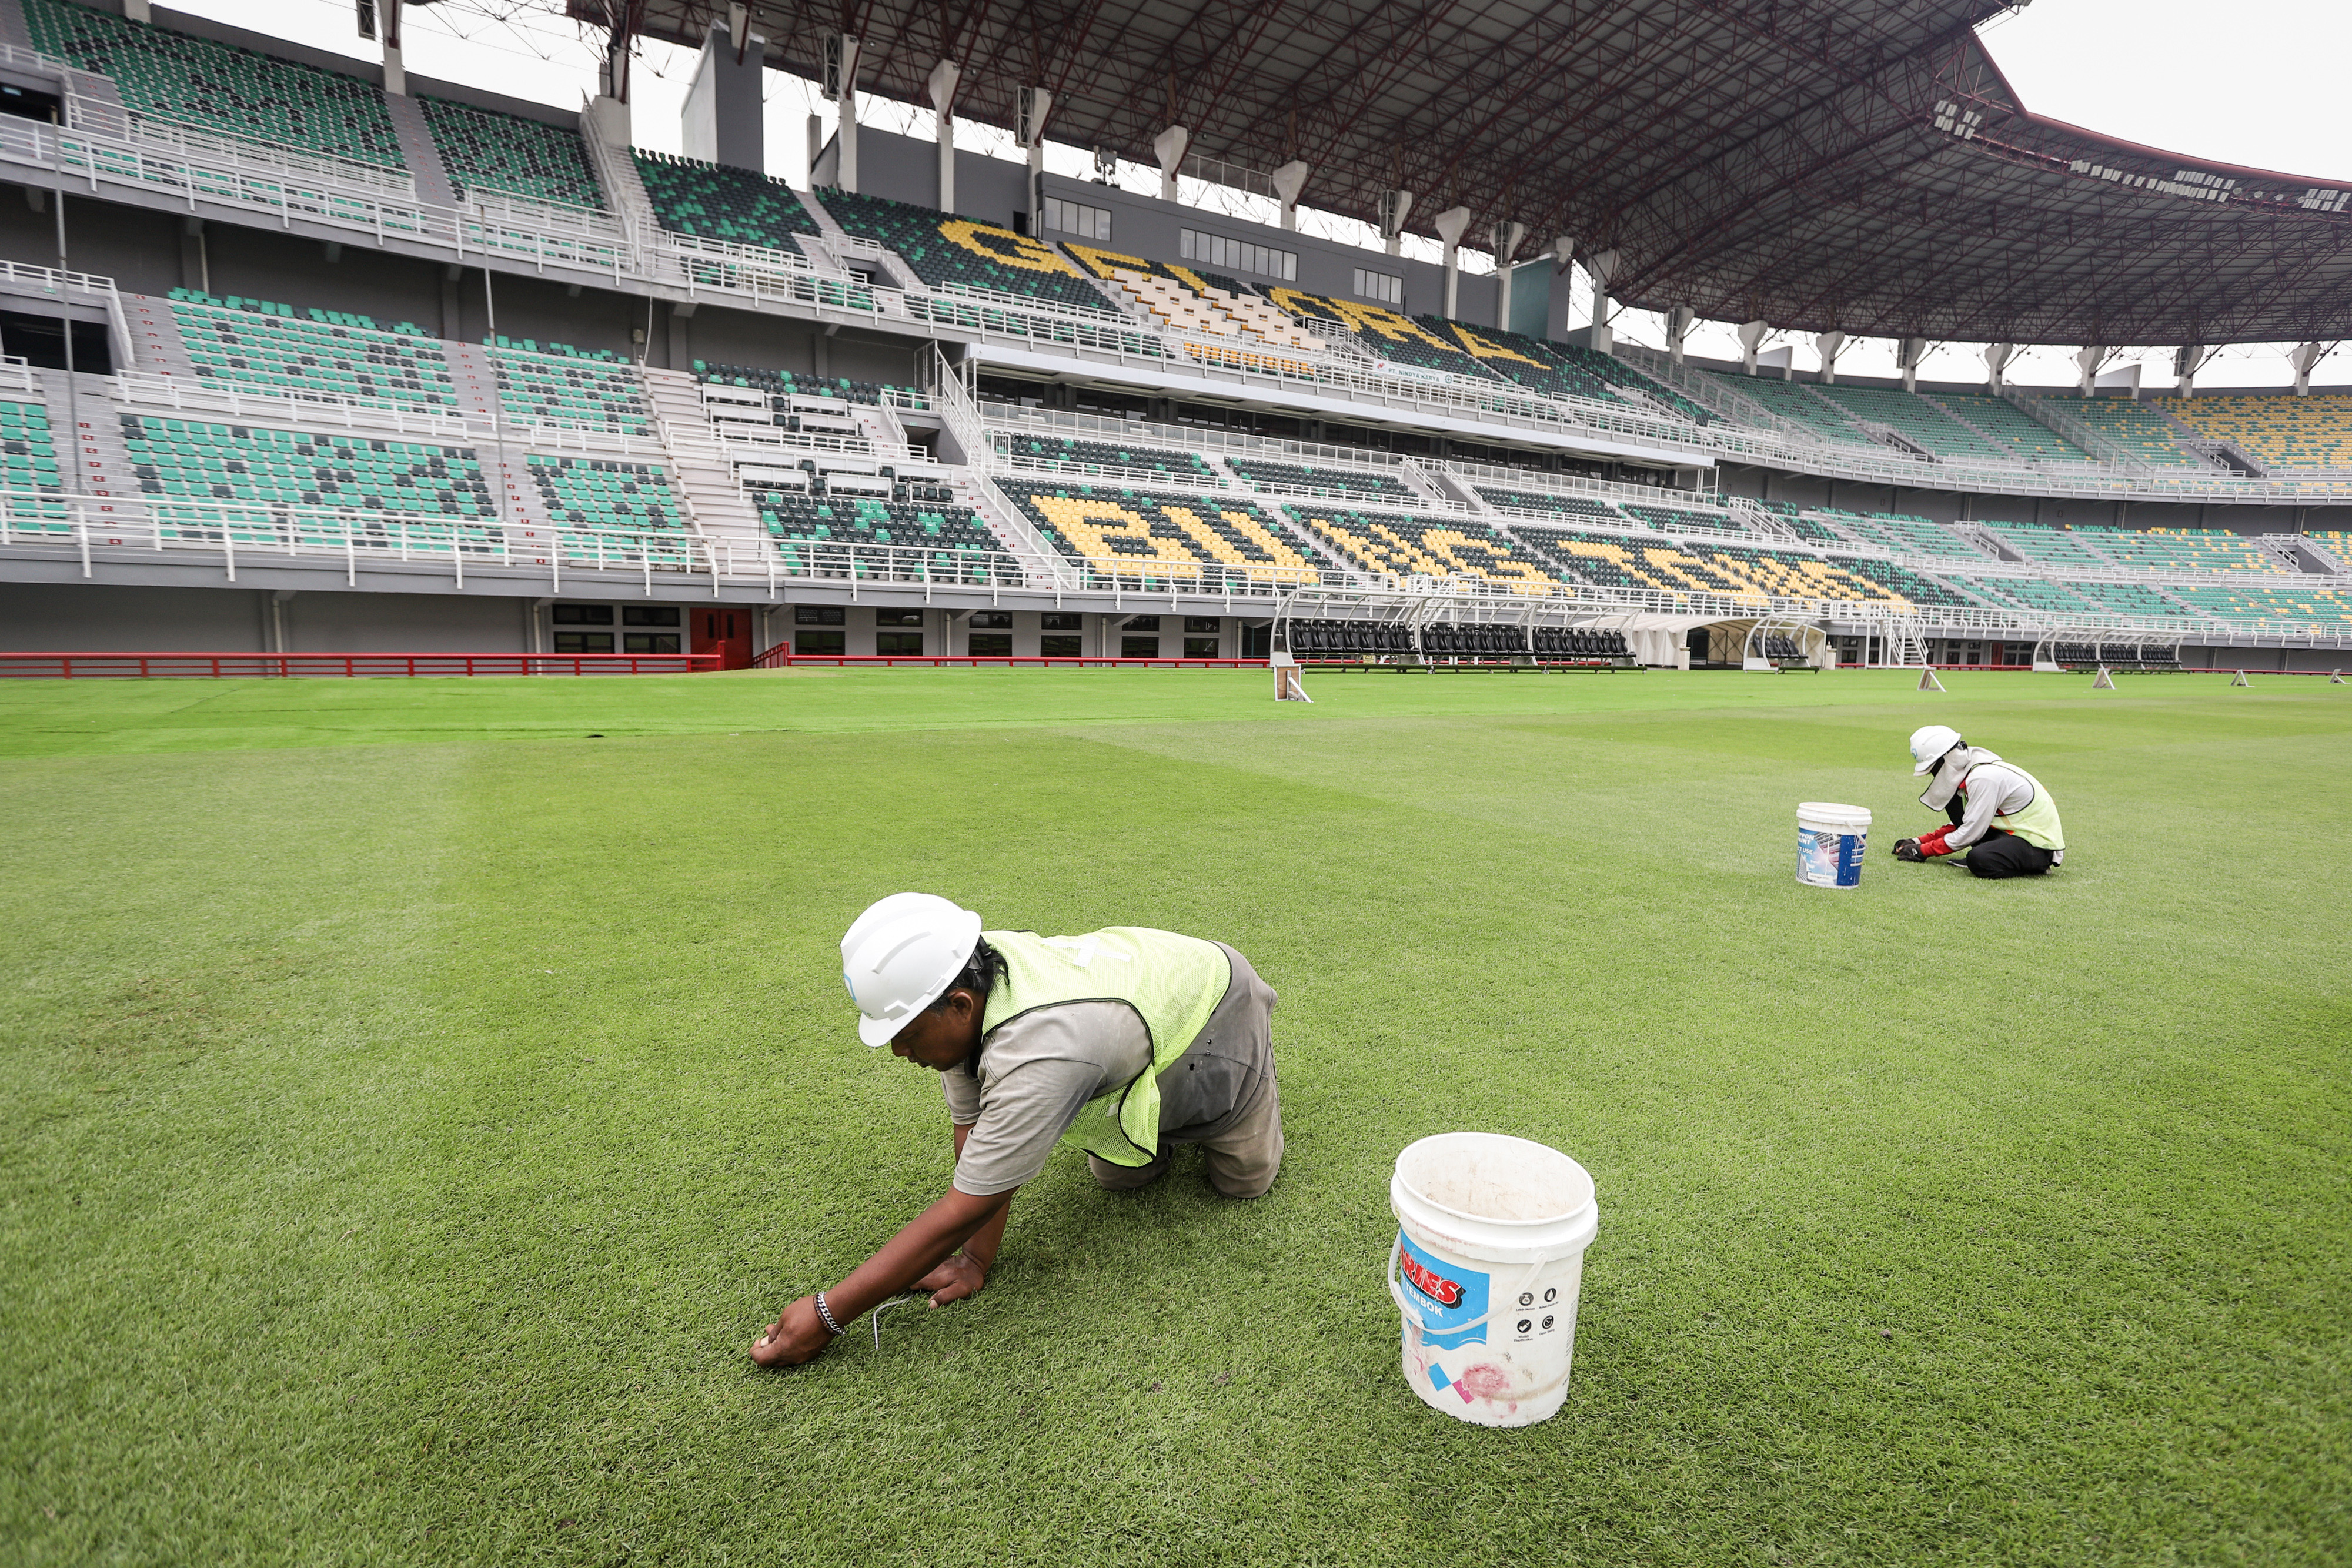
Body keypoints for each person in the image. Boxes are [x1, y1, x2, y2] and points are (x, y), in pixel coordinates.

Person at [751, 894, 1284, 1368]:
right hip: (1133, 1006)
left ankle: (1244, 1087)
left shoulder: (1041, 1050)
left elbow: (966, 1203)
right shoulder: (967, 976)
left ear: (959, 1007)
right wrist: (974, 1259)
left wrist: (826, 1315)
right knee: (1120, 1177)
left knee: (1243, 1181)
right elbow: (975, 1135)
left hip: (1218, 1000)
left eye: (907, 1034)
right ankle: (1159, 1116)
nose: (897, 1050)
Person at [1892, 724, 2066, 878]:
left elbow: (1971, 831)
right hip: (2011, 833)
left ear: (1946, 760)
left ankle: (2036, 867)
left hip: (2038, 845)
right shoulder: (1971, 772)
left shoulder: (1983, 778)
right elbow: (1967, 822)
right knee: (1974, 843)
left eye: (1933, 769)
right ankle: (2005, 857)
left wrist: (1922, 851)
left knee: (1980, 859)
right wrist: (1917, 841)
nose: (1934, 775)